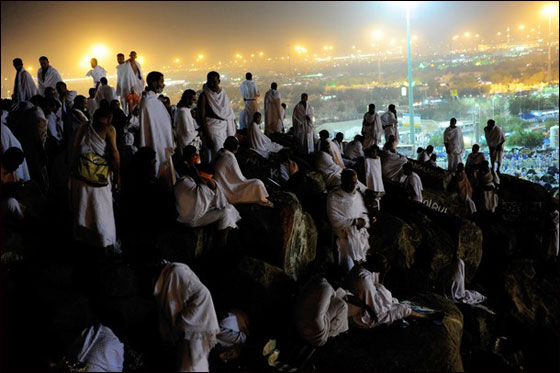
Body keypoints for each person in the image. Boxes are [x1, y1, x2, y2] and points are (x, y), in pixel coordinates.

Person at [153, 261, 220, 372]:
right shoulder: (172, 273)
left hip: (197, 317)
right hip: (191, 319)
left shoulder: (175, 273)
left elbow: (202, 293)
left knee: (193, 361)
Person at [70, 107, 119, 249]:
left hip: (80, 176)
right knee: (101, 212)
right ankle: (105, 243)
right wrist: (118, 176)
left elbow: (74, 150)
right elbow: (115, 155)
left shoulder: (82, 127)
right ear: (109, 117)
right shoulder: (109, 129)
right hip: (99, 178)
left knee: (83, 210)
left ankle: (84, 241)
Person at [175, 145, 241, 233]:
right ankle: (221, 242)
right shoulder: (187, 181)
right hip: (192, 219)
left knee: (222, 203)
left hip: (184, 216)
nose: (196, 157)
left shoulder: (184, 180)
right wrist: (196, 172)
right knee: (225, 212)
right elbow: (203, 187)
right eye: (194, 155)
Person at [343, 256, 416, 328]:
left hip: (363, 304)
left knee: (394, 301)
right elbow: (376, 309)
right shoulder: (365, 281)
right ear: (375, 268)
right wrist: (382, 276)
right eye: (379, 270)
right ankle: (424, 316)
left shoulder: (360, 268)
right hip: (361, 316)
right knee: (403, 309)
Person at [327, 169, 371, 272]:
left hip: (359, 238)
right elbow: (335, 220)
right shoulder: (333, 197)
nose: (353, 186)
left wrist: (364, 221)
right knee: (349, 271)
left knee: (364, 268)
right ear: (343, 181)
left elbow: (363, 212)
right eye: (350, 183)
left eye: (355, 183)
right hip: (344, 241)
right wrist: (355, 222)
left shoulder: (357, 195)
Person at [213, 136, 274, 207]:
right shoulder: (230, 157)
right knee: (257, 183)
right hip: (226, 190)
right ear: (236, 147)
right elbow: (239, 179)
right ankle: (264, 200)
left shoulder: (220, 152)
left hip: (221, 185)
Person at [139, 71, 175, 190]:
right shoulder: (148, 102)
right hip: (156, 143)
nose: (163, 85)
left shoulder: (154, 100)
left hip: (162, 142)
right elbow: (151, 128)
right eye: (161, 82)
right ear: (154, 83)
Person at [293, 275, 349, 347]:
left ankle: (335, 332)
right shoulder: (327, 287)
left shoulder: (320, 281)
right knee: (342, 305)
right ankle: (332, 334)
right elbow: (333, 297)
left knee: (337, 304)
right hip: (317, 332)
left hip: (297, 317)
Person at [198, 71, 237, 162]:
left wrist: (234, 126)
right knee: (217, 155)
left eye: (214, 82)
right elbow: (202, 116)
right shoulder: (204, 96)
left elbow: (229, 112)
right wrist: (207, 135)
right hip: (213, 129)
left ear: (219, 81)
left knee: (227, 154)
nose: (211, 84)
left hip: (225, 127)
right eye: (209, 82)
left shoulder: (223, 93)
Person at [175, 89, 202, 157]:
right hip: (187, 146)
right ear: (187, 99)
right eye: (193, 100)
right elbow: (186, 132)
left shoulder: (185, 110)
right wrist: (197, 133)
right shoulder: (182, 112)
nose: (195, 102)